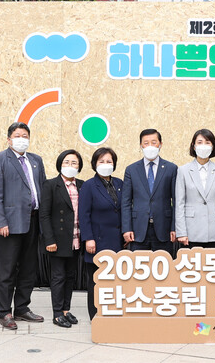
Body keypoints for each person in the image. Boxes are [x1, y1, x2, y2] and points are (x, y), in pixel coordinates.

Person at [0, 122, 46, 330]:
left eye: (25, 136)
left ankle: (22, 307)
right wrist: (0, 221)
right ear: (9, 139)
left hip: (33, 221)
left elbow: (42, 189)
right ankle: (4, 312)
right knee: (7, 270)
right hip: (9, 225)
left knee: (29, 269)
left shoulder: (36, 160)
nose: (22, 139)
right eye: (17, 135)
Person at [39, 150, 84, 328]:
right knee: (58, 276)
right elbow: (44, 215)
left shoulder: (82, 185)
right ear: (60, 164)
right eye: (66, 162)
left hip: (76, 238)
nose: (70, 166)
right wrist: (49, 240)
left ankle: (66, 310)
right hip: (57, 240)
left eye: (74, 163)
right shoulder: (50, 185)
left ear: (79, 166)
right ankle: (57, 313)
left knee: (71, 276)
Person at [79, 147, 124, 320]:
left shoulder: (119, 184)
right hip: (97, 242)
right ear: (94, 164)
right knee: (96, 281)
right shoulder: (89, 186)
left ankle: (112, 312)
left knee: (115, 281)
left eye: (109, 161)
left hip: (117, 242)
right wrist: (88, 238)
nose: (106, 164)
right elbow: (84, 215)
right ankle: (95, 316)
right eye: (101, 161)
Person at [122, 129, 177, 255]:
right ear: (141, 145)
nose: (150, 146)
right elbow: (125, 202)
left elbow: (176, 201)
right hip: (138, 230)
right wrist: (127, 228)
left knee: (164, 264)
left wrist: (174, 227)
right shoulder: (131, 170)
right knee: (138, 265)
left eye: (154, 142)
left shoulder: (171, 168)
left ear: (160, 144)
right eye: (146, 143)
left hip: (164, 228)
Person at [175, 129, 215, 248]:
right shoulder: (183, 170)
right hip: (191, 230)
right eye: (200, 142)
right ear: (193, 146)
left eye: (207, 142)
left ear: (213, 146)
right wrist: (181, 232)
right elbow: (179, 204)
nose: (203, 146)